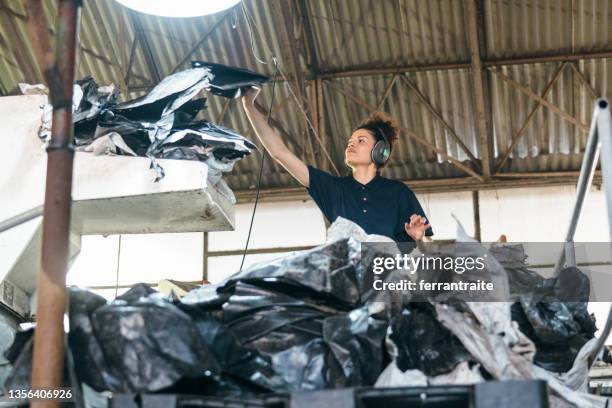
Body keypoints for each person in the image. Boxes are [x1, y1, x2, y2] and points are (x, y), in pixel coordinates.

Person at [241, 87, 433, 242]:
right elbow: (279, 153)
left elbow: (424, 252)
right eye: (350, 140)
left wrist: (419, 238)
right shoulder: (333, 188)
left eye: (361, 141)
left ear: (380, 151)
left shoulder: (398, 193)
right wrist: (248, 104)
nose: (351, 143)